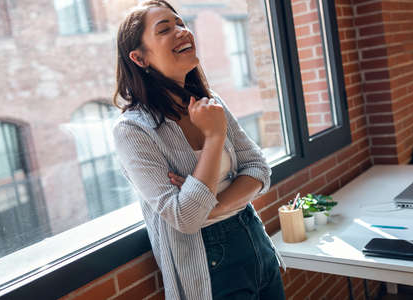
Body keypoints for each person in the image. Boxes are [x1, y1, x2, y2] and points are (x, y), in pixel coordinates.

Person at [112, 1, 286, 299]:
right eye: (165, 29)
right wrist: (214, 138)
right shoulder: (132, 131)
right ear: (139, 58)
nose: (182, 32)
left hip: (255, 240)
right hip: (209, 268)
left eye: (180, 23)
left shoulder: (210, 101)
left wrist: (208, 205)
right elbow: (185, 219)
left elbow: (259, 169)